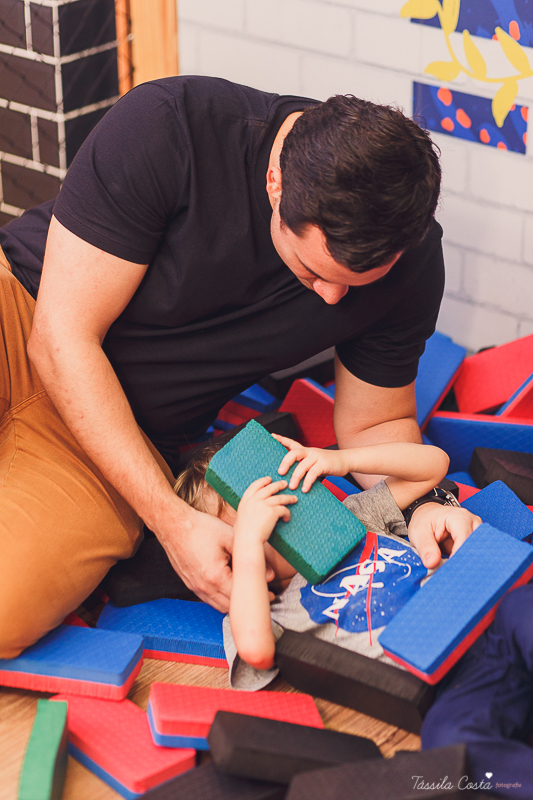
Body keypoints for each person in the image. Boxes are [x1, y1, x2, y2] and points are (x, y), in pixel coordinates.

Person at [0, 76, 478, 657]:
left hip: (120, 436)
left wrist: (428, 506)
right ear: (275, 184)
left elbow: (375, 424)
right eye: (313, 271)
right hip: (21, 314)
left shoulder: (412, 264)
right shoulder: (168, 125)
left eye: (355, 284)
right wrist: (171, 523)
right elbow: (60, 339)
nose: (332, 299)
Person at [176, 435, 533, 799]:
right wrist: (249, 546)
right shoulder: (265, 609)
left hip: (495, 618)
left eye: (281, 493)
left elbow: (433, 464)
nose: (280, 513)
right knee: (449, 744)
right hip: (458, 680)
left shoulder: (354, 517)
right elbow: (256, 651)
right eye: (257, 520)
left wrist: (341, 460)